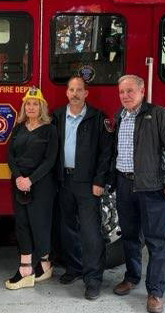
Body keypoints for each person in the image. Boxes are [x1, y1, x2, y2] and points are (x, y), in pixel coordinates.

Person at [112, 75, 165, 313]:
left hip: (152, 189)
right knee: (130, 237)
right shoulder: (119, 117)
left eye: (130, 91)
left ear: (142, 91)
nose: (125, 95)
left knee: (156, 243)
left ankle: (155, 292)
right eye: (122, 91)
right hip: (124, 186)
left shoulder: (157, 115)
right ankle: (132, 277)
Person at [51, 76, 113, 300]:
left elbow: (106, 153)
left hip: (87, 184)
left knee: (90, 232)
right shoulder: (56, 116)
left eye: (79, 90)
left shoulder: (98, 118)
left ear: (86, 94)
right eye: (71, 89)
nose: (75, 93)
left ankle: (93, 279)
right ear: (66, 93)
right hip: (63, 180)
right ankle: (74, 268)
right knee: (67, 227)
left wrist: (99, 181)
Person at [5, 87, 58, 290]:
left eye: (35, 104)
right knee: (22, 224)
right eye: (28, 103)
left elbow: (50, 160)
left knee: (40, 224)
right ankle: (26, 267)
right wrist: (19, 177)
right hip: (19, 183)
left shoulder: (49, 129)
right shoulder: (18, 127)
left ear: (42, 106)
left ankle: (44, 264)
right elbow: (10, 156)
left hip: (41, 184)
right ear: (24, 106)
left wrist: (31, 180)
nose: (31, 107)